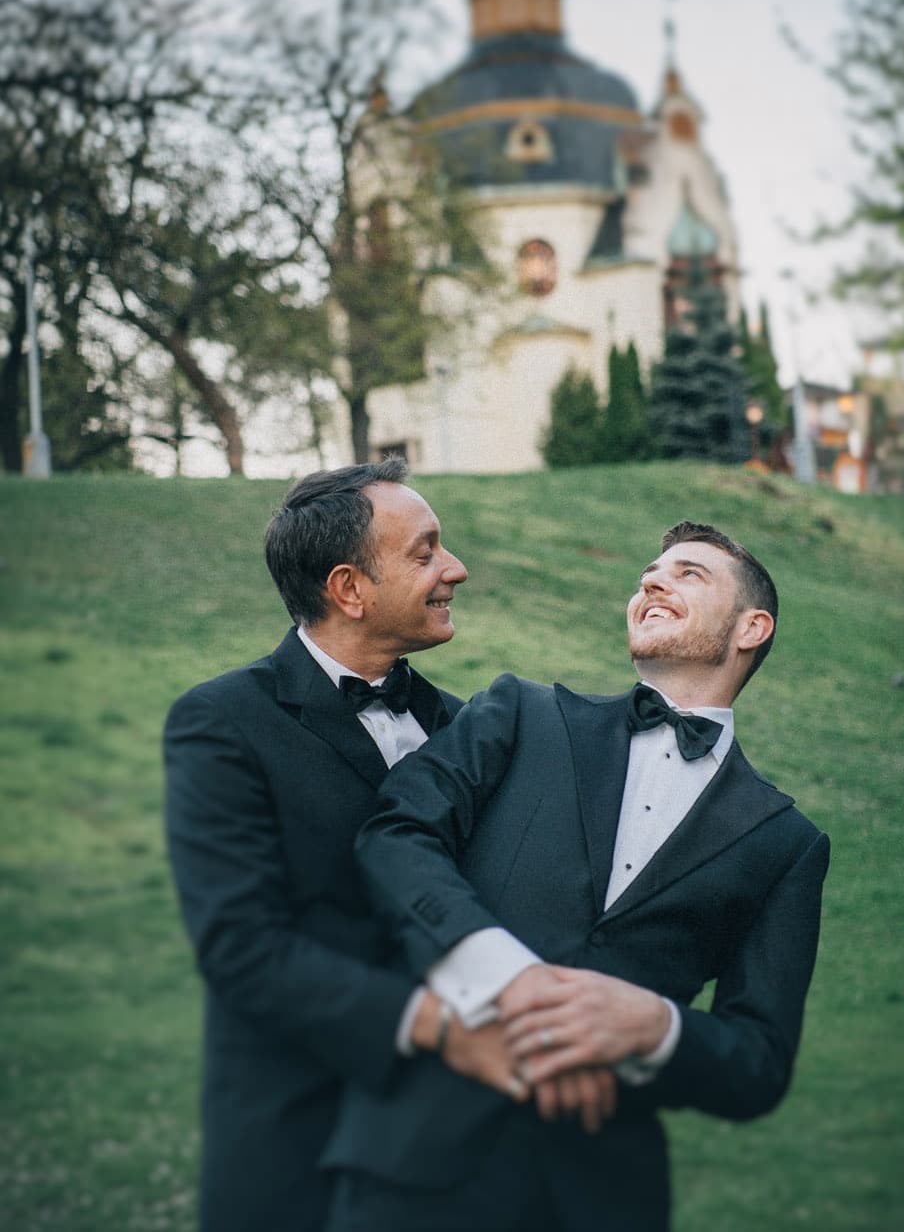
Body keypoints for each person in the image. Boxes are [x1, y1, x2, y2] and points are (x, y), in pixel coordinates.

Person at [323, 520, 831, 1232]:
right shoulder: (520, 713)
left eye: (689, 574)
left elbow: (759, 1062)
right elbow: (394, 836)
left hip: (600, 1194)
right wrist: (509, 979)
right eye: (649, 572)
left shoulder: (787, 842)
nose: (652, 581)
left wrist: (655, 1028)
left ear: (752, 627)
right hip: (417, 1164)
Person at [164, 460, 510, 1232]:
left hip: (459, 1156)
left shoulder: (466, 727)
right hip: (300, 1147)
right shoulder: (222, 723)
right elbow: (241, 948)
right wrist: (442, 1028)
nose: (456, 569)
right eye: (425, 552)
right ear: (349, 589)